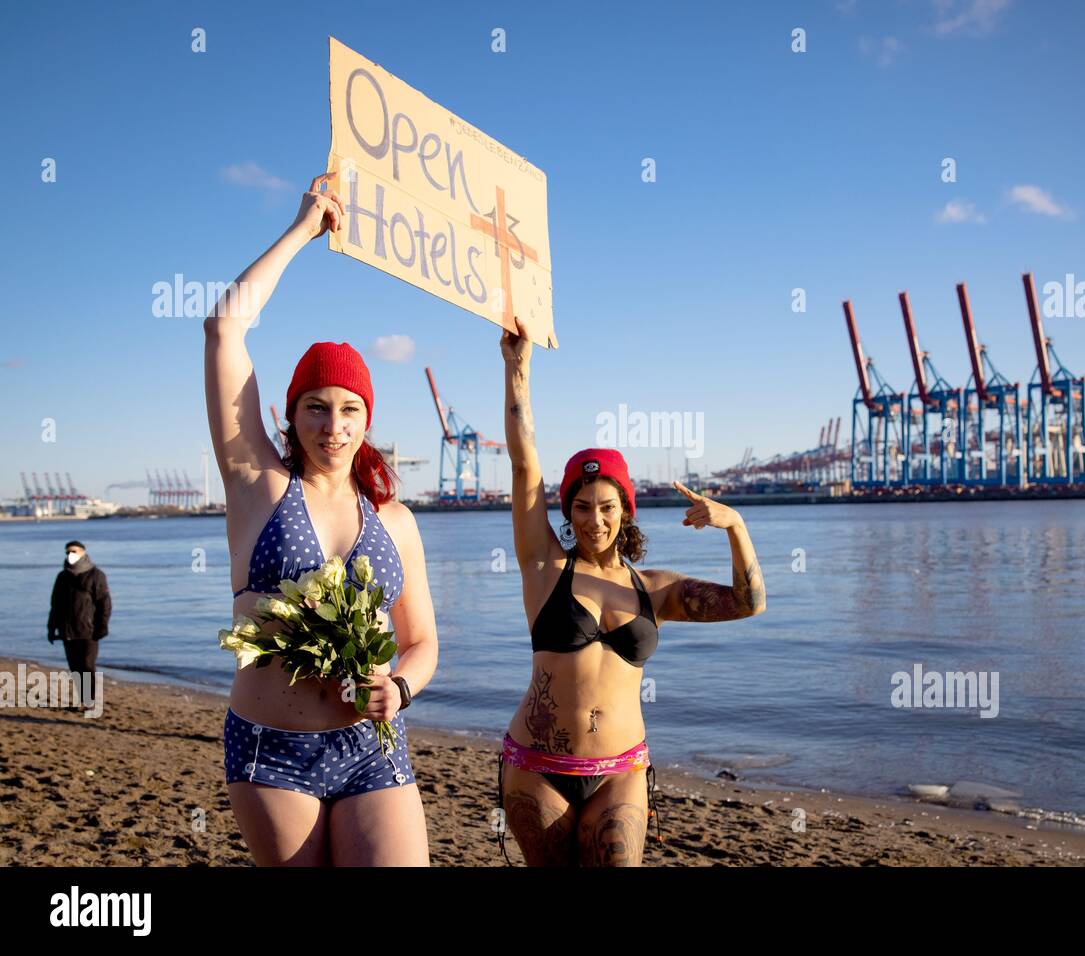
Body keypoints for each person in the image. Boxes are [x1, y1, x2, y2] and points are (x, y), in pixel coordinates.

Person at [204, 171, 439, 866]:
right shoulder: (258, 486)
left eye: (349, 410)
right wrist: (303, 229)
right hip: (272, 749)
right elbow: (224, 328)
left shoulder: (394, 520)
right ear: (291, 412)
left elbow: (421, 641)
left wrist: (398, 686)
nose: (332, 426)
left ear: (368, 422)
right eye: (315, 405)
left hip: (370, 749)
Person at [496, 315, 767, 866]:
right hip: (536, 768)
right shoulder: (543, 565)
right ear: (568, 512)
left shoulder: (657, 589)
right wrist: (517, 370)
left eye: (606, 506)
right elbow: (525, 465)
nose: (594, 520)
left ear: (625, 511)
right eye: (581, 506)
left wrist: (735, 526)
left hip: (621, 770)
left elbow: (748, 603)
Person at [47, 540, 111, 709]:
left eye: (74, 551)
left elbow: (104, 603)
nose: (70, 555)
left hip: (89, 630)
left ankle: (90, 701)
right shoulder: (62, 577)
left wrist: (102, 627)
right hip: (67, 629)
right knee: (75, 667)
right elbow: (55, 604)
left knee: (87, 665)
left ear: (83, 552)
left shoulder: (96, 575)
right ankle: (82, 700)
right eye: (67, 552)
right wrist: (51, 628)